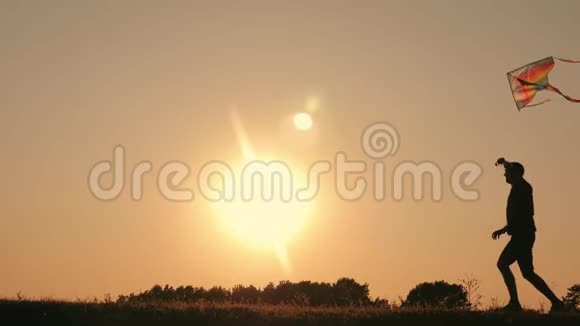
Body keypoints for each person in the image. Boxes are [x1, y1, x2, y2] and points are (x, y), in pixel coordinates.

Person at [492, 158, 565, 312]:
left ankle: (515, 303)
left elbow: (523, 214)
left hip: (522, 236)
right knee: (527, 273)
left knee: (503, 263)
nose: (505, 175)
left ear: (515, 174)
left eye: (507, 173)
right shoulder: (519, 187)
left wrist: (505, 229)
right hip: (522, 234)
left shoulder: (522, 188)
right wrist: (504, 162)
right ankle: (556, 303)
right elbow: (519, 214)